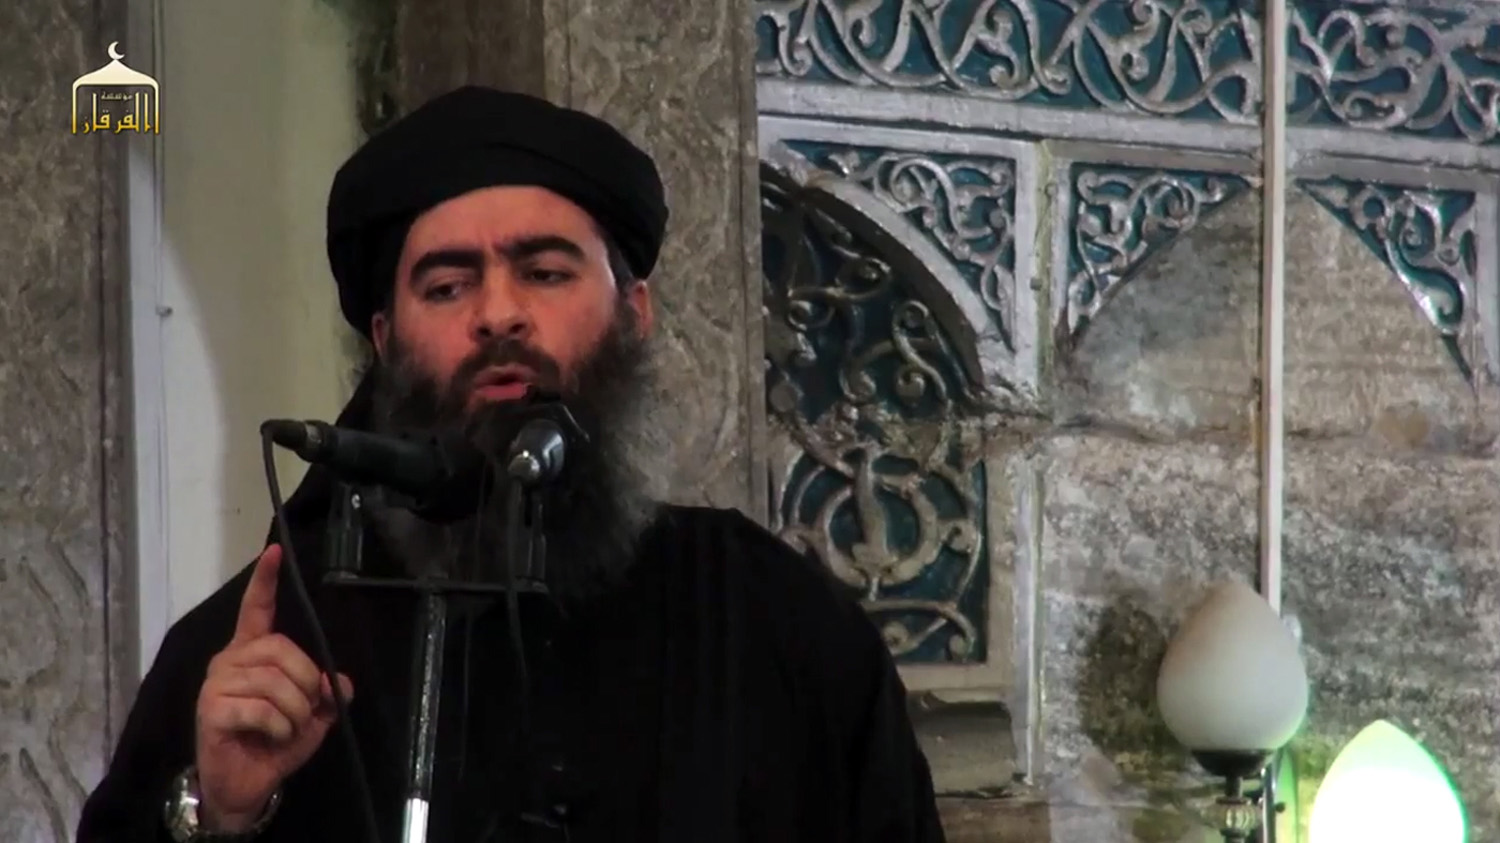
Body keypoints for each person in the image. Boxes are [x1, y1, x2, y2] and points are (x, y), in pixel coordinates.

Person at [75, 85, 946, 843]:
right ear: (384, 339)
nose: (499, 314)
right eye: (447, 286)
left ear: (634, 310)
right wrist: (216, 811)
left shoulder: (769, 622)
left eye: (545, 272)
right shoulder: (276, 644)